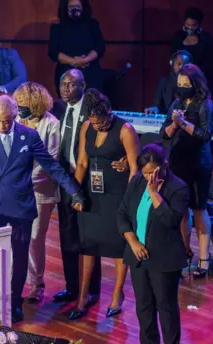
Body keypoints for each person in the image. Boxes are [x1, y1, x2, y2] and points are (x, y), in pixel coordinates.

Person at [0, 95, 85, 323]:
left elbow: (51, 166)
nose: (2, 126)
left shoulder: (30, 135)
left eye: (6, 121)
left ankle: (15, 301)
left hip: (21, 208)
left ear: (16, 115)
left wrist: (74, 190)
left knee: (21, 256)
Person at [50, 69, 128, 306]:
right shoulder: (56, 108)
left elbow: (124, 135)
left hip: (94, 182)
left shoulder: (95, 106)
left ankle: (92, 290)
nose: (65, 89)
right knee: (68, 234)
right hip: (66, 179)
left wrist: (125, 159)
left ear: (83, 85)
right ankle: (72, 287)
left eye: (71, 85)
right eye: (62, 84)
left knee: (90, 236)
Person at [118, 144, 189, 344]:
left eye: (153, 171)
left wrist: (154, 193)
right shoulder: (136, 182)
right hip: (138, 254)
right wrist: (133, 242)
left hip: (164, 257)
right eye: (146, 172)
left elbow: (171, 221)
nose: (149, 177)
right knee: (144, 305)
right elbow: (122, 214)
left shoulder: (178, 188)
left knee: (166, 307)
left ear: (164, 165)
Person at [71, 88, 140, 320]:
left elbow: (135, 169)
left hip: (117, 196)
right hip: (93, 194)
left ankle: (117, 294)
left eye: (102, 123)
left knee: (118, 246)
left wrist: (128, 202)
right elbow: (81, 163)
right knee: (88, 245)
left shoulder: (125, 130)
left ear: (109, 112)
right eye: (95, 123)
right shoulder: (86, 128)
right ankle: (83, 295)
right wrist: (74, 192)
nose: (99, 127)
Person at [159, 63, 213, 279]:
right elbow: (164, 133)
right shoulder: (177, 102)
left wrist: (183, 124)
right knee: (181, 209)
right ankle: (184, 253)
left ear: (196, 83)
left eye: (186, 84)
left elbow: (205, 135)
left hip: (198, 163)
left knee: (199, 209)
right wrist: (174, 124)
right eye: (180, 83)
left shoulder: (206, 105)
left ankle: (204, 259)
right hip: (178, 161)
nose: (182, 87)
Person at [13, 82, 61, 304]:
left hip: (40, 190)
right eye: (18, 103)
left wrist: (25, 179)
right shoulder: (14, 121)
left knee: (34, 239)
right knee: (13, 237)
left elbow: (49, 160)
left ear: (35, 104)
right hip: (15, 190)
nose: (19, 107)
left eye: (23, 104)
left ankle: (36, 283)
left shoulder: (51, 124)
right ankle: (14, 281)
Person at [49, 0, 105, 94]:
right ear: (65, 8)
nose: (75, 9)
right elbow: (53, 52)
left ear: (83, 7)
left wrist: (85, 60)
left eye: (77, 6)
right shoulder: (57, 27)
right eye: (71, 7)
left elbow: (100, 47)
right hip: (66, 73)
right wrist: (74, 62)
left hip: (91, 73)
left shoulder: (92, 24)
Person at [171, 8, 213, 80]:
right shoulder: (177, 37)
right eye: (187, 25)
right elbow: (173, 57)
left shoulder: (206, 38)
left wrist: (196, 74)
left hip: (200, 77)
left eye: (194, 25)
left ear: (199, 25)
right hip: (180, 77)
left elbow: (209, 61)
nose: (190, 28)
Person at [145, 50, 192, 115]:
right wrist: (154, 109)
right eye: (178, 64)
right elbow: (157, 104)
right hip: (167, 119)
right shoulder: (164, 82)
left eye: (185, 64)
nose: (181, 67)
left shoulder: (193, 83)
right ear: (172, 64)